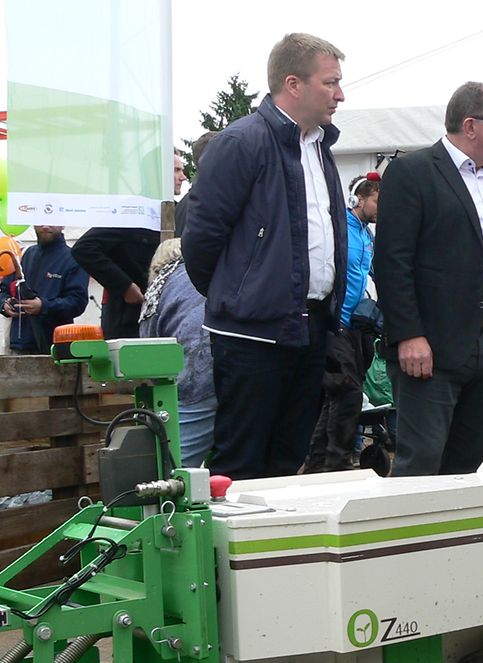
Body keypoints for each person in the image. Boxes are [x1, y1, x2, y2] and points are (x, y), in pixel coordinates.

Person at [183, 33, 349, 480]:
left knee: (286, 457)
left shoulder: (319, 148)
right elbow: (199, 239)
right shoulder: (242, 143)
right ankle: (232, 552)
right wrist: (237, 296)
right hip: (251, 333)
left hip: (309, 327)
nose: (340, 94)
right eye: (330, 82)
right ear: (293, 84)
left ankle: (273, 551)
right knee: (241, 461)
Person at [376, 81, 483, 477]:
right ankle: (402, 540)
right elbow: (392, 261)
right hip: (431, 349)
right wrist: (408, 334)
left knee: (468, 466)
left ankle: (454, 542)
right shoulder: (413, 172)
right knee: (421, 462)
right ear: (471, 125)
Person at [307, 171, 380, 473]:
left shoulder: (366, 234)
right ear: (359, 198)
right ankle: (335, 463)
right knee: (347, 392)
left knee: (338, 394)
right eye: (378, 200)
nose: (381, 206)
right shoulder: (341, 229)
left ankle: (318, 463)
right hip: (334, 322)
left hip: (354, 326)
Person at [72, 156, 185, 340]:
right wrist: (124, 286)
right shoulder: (131, 210)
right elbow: (84, 248)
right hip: (130, 323)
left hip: (171, 319)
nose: (183, 177)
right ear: (158, 174)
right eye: (176, 170)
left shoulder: (180, 212)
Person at [139, 239, 216, 467]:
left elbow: (150, 351)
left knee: (174, 468)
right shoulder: (211, 269)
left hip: (196, 378)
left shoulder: (160, 285)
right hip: (240, 361)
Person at [0, 226, 89, 354]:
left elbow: (77, 302)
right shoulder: (24, 255)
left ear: (62, 224)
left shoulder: (73, 259)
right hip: (18, 346)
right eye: (41, 220)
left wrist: (43, 306)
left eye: (51, 220)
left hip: (54, 348)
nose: (45, 226)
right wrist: (4, 304)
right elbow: (5, 290)